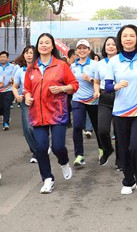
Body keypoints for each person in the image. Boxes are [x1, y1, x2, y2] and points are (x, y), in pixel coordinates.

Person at [104, 24, 137, 201]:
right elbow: (107, 86)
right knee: (124, 148)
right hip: (120, 111)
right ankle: (128, 180)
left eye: (131, 36)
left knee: (136, 146)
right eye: (125, 36)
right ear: (120, 39)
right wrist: (116, 86)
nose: (128, 39)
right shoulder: (114, 61)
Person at [24, 33, 79, 194]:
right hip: (37, 114)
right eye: (41, 43)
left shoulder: (61, 65)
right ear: (37, 46)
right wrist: (27, 97)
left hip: (57, 113)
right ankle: (47, 178)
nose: (44, 45)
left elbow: (74, 85)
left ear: (52, 46)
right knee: (40, 148)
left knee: (57, 146)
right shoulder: (31, 67)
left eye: (47, 42)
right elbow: (27, 89)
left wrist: (62, 88)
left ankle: (63, 161)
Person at [70, 39, 101, 167]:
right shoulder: (72, 66)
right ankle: (79, 155)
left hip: (93, 99)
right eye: (79, 48)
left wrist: (90, 79)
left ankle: (102, 149)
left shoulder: (95, 65)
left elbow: (100, 81)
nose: (82, 50)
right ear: (76, 51)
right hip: (77, 100)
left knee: (98, 127)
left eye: (84, 48)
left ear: (89, 50)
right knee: (77, 126)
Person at [94, 36, 122, 168]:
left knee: (119, 131)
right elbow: (97, 81)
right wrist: (96, 91)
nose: (110, 46)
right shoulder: (100, 64)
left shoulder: (122, 62)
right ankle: (107, 149)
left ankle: (120, 160)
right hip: (104, 97)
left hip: (120, 97)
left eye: (113, 44)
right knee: (102, 130)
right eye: (108, 44)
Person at [12, 45, 38, 163]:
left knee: (40, 126)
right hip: (25, 101)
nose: (28, 55)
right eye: (26, 53)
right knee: (28, 128)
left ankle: (42, 145)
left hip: (39, 101)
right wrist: (17, 95)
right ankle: (36, 151)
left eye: (31, 53)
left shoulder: (39, 69)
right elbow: (15, 86)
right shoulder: (20, 70)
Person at [0, 50, 17, 130]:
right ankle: (2, 116)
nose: (2, 58)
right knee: (1, 107)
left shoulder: (12, 67)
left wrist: (12, 80)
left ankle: (6, 123)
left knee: (6, 106)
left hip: (8, 89)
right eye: (1, 57)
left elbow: (15, 76)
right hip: (0, 90)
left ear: (7, 58)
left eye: (4, 57)